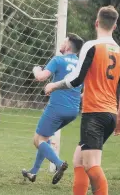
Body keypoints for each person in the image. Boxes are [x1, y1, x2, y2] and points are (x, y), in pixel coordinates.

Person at [44, 6, 120, 195]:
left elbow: (76, 79)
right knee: (79, 162)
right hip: (109, 115)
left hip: (94, 115)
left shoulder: (92, 46)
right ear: (115, 26)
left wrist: (54, 85)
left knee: (91, 165)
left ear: (96, 23)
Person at [22, 33, 84, 184]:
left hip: (57, 108)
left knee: (38, 140)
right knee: (45, 138)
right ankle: (33, 172)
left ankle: (59, 164)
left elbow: (41, 77)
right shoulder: (82, 64)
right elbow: (86, 89)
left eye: (64, 41)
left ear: (68, 45)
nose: (61, 44)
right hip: (73, 111)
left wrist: (36, 69)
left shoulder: (58, 60)